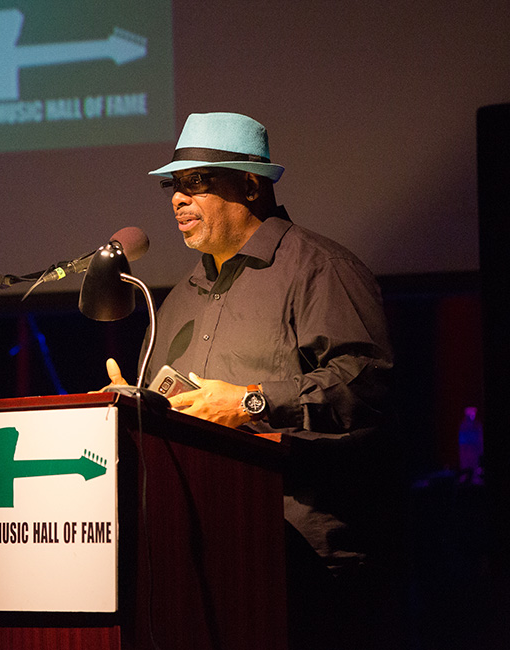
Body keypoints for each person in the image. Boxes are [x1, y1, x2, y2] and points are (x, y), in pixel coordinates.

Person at [105, 112, 404, 649]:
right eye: (174, 186)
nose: (178, 199)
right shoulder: (178, 300)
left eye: (197, 182)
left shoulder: (320, 268)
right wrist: (131, 408)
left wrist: (251, 403)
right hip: (198, 556)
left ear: (250, 185)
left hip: (303, 560)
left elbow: (365, 386)